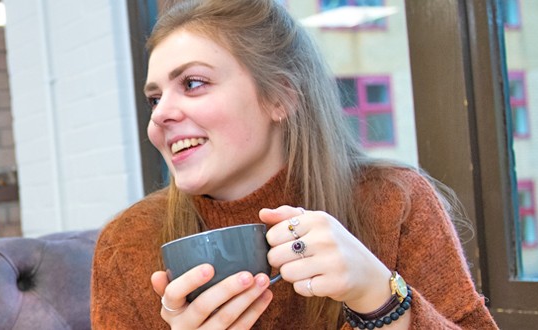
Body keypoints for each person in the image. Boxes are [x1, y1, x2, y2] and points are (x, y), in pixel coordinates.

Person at [90, 0, 498, 329]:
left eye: (193, 84)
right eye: (154, 98)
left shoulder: (393, 201)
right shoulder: (127, 244)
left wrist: (382, 300)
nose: (160, 116)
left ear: (279, 98)